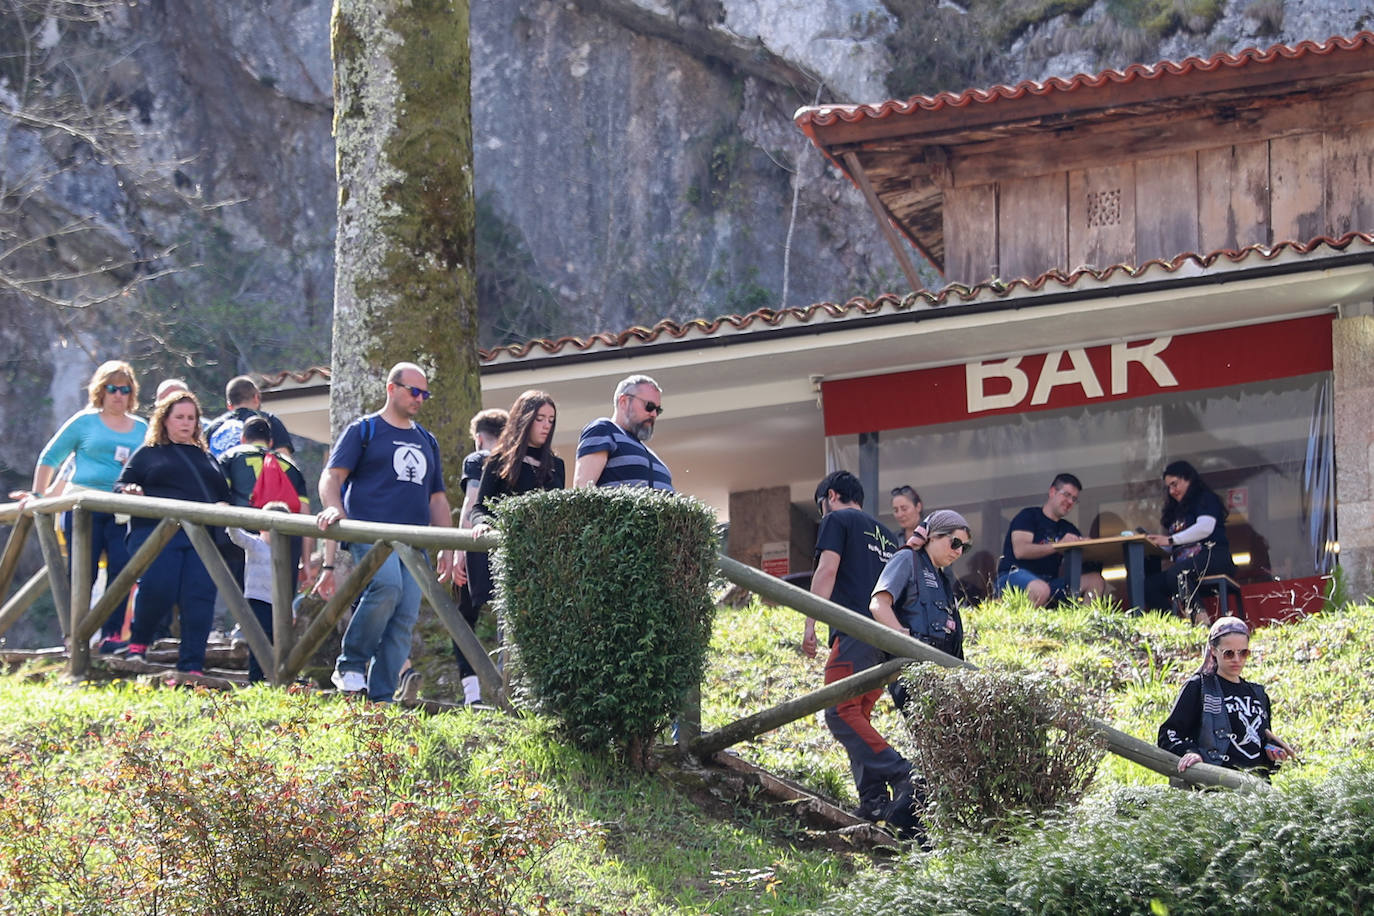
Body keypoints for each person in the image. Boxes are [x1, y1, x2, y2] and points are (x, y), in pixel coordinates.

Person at [313, 362, 456, 702]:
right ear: (392, 388)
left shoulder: (426, 440)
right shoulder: (365, 430)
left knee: (406, 614)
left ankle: (381, 695)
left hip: (414, 541)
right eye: (414, 391)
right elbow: (331, 477)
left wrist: (448, 546)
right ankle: (350, 665)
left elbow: (437, 498)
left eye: (425, 393)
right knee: (387, 587)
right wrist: (334, 507)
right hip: (371, 535)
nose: (420, 398)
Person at [10, 360, 148, 653]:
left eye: (125, 389)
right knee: (83, 573)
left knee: (122, 570)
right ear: (101, 390)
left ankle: (111, 637)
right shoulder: (84, 421)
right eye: (112, 388)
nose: (118, 395)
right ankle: (76, 636)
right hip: (82, 508)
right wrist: (37, 494)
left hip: (123, 509)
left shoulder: (142, 428)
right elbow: (49, 457)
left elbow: (151, 467)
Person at [802, 470, 902, 822]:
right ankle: (874, 800)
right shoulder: (889, 537)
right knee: (857, 716)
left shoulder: (837, 520)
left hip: (854, 633)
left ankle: (901, 771)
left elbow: (827, 570)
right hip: (886, 640)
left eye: (820, 507)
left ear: (830, 495)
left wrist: (810, 623)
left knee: (839, 713)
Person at [114, 392, 230, 674]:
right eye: (179, 417)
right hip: (157, 532)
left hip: (200, 537)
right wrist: (130, 490)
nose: (186, 423)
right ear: (164, 420)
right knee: (158, 586)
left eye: (191, 418)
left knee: (199, 597)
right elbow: (121, 485)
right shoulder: (149, 452)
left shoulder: (207, 457)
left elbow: (221, 493)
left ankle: (192, 664)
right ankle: (138, 644)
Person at [1158, 616, 1296, 777]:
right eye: (1228, 653)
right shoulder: (1199, 687)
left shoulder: (1258, 694)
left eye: (1243, 653)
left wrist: (1274, 755)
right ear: (1213, 651)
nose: (1237, 660)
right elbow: (1168, 735)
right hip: (1216, 786)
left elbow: (1260, 747)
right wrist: (1191, 753)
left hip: (1257, 789)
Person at [450, 407, 508, 705]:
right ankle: (507, 689)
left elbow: (471, 504)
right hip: (508, 548)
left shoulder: (477, 460)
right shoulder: (517, 460)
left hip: (478, 543)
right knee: (506, 618)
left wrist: (459, 550)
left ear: (478, 438)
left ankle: (472, 695)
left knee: (463, 619)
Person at [219, 416, 313, 586]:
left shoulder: (230, 457)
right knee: (280, 605)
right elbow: (305, 515)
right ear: (270, 442)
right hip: (285, 543)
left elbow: (219, 501)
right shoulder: (292, 467)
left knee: (241, 603)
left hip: (243, 539)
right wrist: (305, 562)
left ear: (243, 439)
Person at [994, 473, 1105, 607]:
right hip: (1013, 576)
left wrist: (1086, 545)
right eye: (1067, 495)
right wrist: (1059, 545)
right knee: (1040, 590)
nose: (1070, 502)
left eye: (1074, 499)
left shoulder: (1068, 529)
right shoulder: (1028, 516)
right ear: (1052, 492)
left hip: (1049, 584)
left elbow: (1083, 557)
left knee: (1096, 580)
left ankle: (1085, 626)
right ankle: (1023, 626)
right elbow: (1021, 550)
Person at [1144, 460, 1236, 616]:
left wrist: (1170, 540)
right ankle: (1174, 625)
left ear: (1188, 479)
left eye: (1175, 484)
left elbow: (1205, 528)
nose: (1172, 491)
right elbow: (1178, 543)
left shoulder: (1205, 498)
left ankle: (1201, 622)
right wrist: (1156, 543)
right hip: (1186, 563)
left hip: (1212, 557)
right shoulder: (1175, 511)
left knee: (1178, 574)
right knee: (1149, 585)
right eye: (1169, 488)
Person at [227, 501, 292, 683]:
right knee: (259, 638)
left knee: (275, 638)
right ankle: (255, 677)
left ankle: (276, 674)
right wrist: (230, 516)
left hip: (276, 602)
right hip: (256, 598)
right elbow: (237, 536)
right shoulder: (255, 544)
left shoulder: (283, 551)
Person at [572, 374, 672, 490]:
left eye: (658, 410)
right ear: (623, 401)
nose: (654, 414)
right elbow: (582, 490)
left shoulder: (649, 452)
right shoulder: (604, 429)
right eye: (649, 406)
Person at [206, 375, 295, 458]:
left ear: (229, 405)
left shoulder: (213, 429)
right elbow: (283, 459)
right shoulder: (269, 421)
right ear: (256, 398)